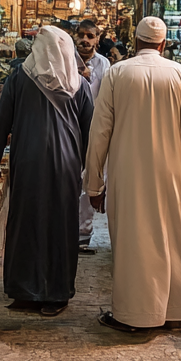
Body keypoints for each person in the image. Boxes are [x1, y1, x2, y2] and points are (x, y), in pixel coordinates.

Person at [83, 17, 181, 332]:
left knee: (131, 243)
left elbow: (99, 134)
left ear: (136, 43)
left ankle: (133, 316)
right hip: (172, 176)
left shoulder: (117, 74)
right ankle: (174, 311)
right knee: (171, 240)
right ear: (162, 45)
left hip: (127, 176)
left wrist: (94, 183)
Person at [0, 27, 94, 317]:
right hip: (67, 166)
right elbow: (90, 132)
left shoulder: (18, 79)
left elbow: (1, 126)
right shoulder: (79, 85)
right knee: (60, 226)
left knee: (26, 221)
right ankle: (56, 293)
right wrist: (88, 172)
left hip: (28, 162)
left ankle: (24, 291)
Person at [73, 19, 111, 254]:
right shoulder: (66, 61)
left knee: (89, 181)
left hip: (94, 130)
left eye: (90, 36)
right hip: (69, 128)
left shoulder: (104, 65)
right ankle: (65, 230)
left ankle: (83, 234)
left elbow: (106, 98)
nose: (85, 40)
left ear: (97, 39)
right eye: (81, 35)